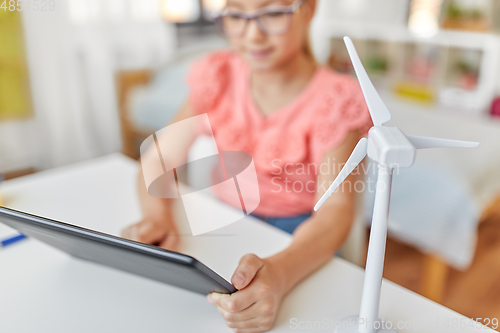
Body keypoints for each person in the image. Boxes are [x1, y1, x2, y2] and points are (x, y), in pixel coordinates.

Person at [121, 0, 372, 331]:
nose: (253, 34)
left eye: (273, 13)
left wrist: (281, 272)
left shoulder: (338, 99)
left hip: (299, 241)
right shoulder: (219, 75)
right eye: (237, 15)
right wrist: (157, 217)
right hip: (222, 223)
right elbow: (158, 157)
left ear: (308, 10)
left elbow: (337, 209)